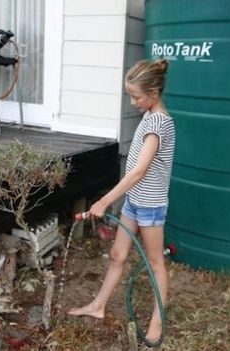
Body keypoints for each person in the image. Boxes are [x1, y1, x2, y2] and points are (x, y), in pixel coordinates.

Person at [68, 59, 175, 344]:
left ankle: (157, 321)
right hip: (134, 201)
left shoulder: (159, 123)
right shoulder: (149, 116)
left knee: (154, 263)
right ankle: (98, 306)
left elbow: (139, 170)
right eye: (130, 95)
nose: (133, 101)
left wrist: (104, 201)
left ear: (154, 92)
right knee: (117, 255)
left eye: (136, 96)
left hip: (150, 205)